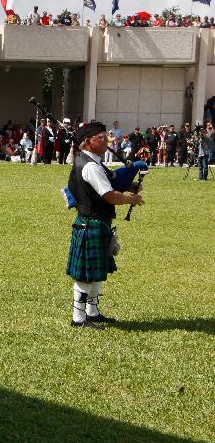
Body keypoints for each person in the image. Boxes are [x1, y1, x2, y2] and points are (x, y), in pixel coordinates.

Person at [66, 121, 143, 328]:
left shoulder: (92, 162)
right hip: (91, 224)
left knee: (96, 274)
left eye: (105, 136)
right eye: (100, 137)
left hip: (96, 223)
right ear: (87, 142)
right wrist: (130, 199)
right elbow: (108, 195)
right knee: (86, 275)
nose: (105, 140)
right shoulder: (90, 166)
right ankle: (78, 318)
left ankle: (92, 312)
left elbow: (109, 183)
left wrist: (131, 184)